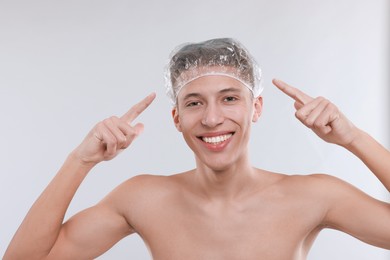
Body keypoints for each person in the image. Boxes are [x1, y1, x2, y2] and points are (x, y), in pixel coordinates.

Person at [4, 38, 390, 260]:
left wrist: (352, 138)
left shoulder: (312, 195)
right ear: (176, 117)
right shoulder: (143, 198)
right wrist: (80, 160)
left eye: (228, 99)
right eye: (193, 103)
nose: (211, 119)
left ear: (256, 107)